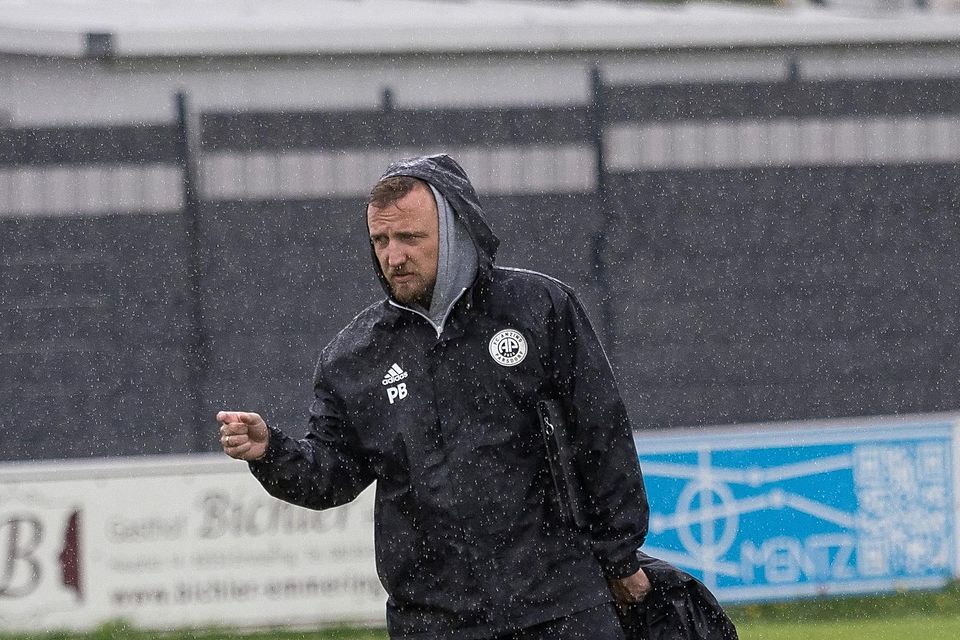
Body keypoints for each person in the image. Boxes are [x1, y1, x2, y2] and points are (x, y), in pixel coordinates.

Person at [218, 154, 651, 640]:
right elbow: (332, 476)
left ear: (456, 231)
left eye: (410, 238)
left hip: (559, 606)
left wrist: (619, 556)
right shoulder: (354, 356)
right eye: (380, 240)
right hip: (433, 621)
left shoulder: (540, 309)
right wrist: (270, 451)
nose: (393, 257)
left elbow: (601, 436)